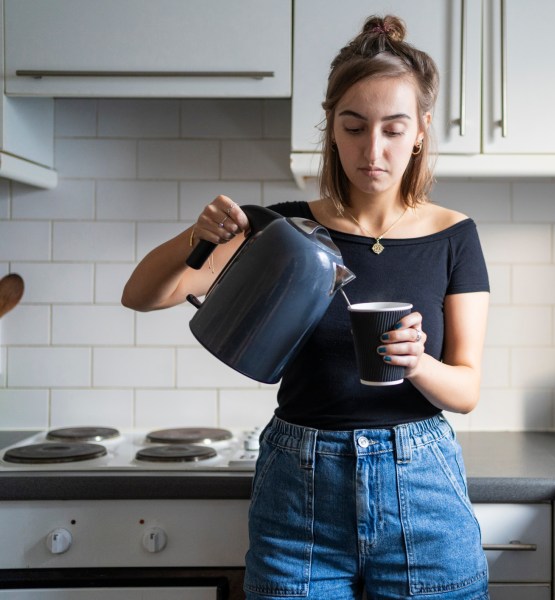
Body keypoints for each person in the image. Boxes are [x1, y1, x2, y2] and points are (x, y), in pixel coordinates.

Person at [122, 14, 490, 600]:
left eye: (394, 130)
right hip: (299, 489)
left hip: (422, 490)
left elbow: (467, 391)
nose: (373, 150)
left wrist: (418, 362)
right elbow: (139, 296)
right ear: (332, 129)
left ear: (420, 130)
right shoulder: (288, 229)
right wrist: (197, 236)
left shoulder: (454, 236)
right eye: (354, 126)